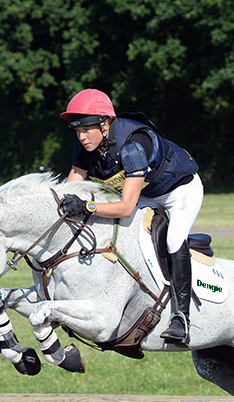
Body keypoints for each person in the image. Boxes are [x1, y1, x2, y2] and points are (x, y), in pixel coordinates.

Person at [59, 89, 203, 345]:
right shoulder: (85, 148)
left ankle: (181, 319)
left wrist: (89, 207)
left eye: (86, 130)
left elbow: (125, 207)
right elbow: (69, 191)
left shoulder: (132, 144)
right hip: (145, 195)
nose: (81, 137)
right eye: (77, 131)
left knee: (173, 239)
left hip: (180, 191)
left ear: (105, 124)